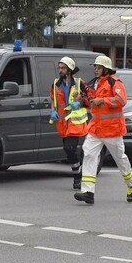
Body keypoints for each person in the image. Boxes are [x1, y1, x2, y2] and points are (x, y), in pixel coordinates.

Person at [74, 55, 132, 205]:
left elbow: (121, 100)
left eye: (98, 67)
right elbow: (92, 104)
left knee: (120, 158)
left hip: (112, 130)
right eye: (95, 67)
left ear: (106, 69)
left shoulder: (114, 83)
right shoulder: (95, 84)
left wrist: (103, 100)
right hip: (96, 129)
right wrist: (82, 100)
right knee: (88, 154)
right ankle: (88, 192)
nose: (96, 70)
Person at [49, 57, 89, 190]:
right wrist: (52, 111)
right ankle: (79, 171)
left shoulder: (79, 83)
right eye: (59, 68)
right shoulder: (56, 84)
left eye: (63, 68)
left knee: (69, 148)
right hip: (63, 122)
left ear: (70, 70)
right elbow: (53, 99)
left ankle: (78, 176)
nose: (60, 70)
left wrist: (80, 102)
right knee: (68, 150)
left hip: (76, 122)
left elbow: (89, 97)